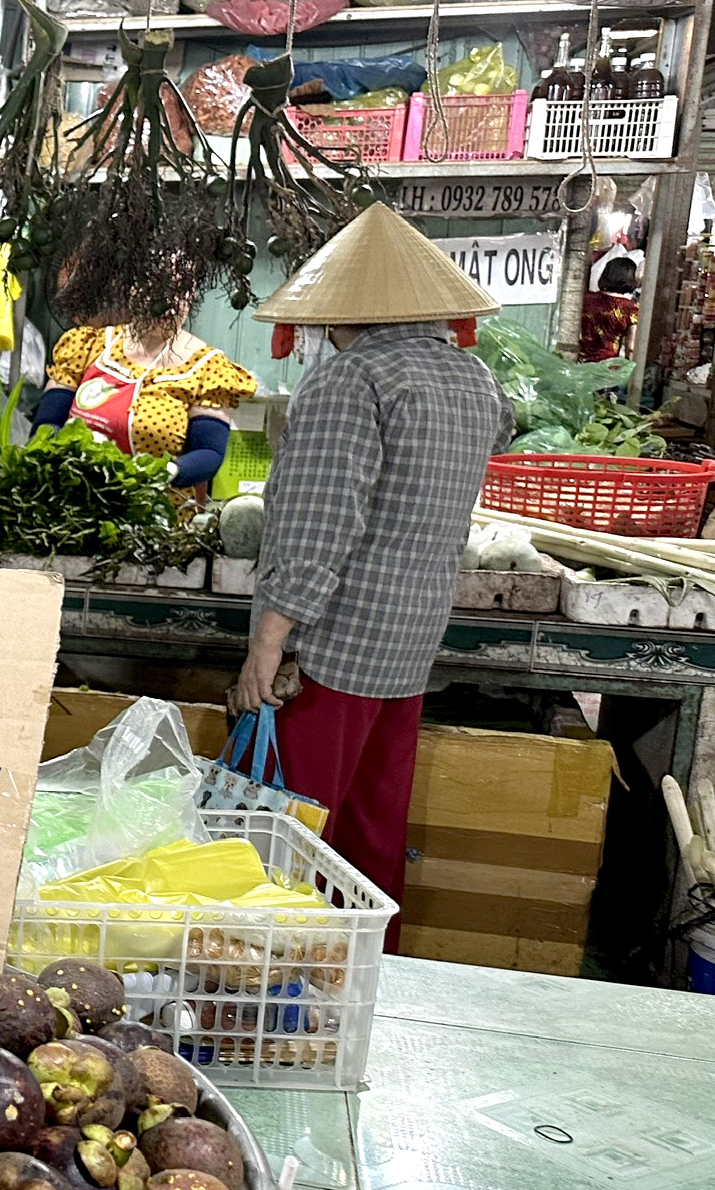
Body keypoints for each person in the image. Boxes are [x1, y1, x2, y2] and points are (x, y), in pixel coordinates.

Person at [229, 205, 513, 942]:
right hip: (412, 633)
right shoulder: (472, 380)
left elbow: (322, 521)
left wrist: (270, 637)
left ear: (337, 311)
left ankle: (286, 973)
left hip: (334, 641)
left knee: (298, 830)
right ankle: (372, 973)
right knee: (372, 825)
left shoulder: (350, 383)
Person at [33, 296, 255, 489]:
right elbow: (47, 423)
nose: (164, 303)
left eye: (178, 291)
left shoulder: (209, 368)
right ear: (132, 288)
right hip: (76, 498)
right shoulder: (89, 346)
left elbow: (209, 452)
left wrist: (163, 472)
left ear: (190, 296)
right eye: (153, 288)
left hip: (156, 515)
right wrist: (60, 453)